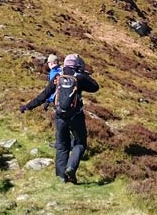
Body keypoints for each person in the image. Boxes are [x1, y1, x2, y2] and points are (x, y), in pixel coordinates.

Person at [20, 53, 99, 184]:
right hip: (76, 116)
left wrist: (27, 107)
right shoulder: (79, 77)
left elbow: (44, 95)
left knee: (62, 146)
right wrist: (84, 74)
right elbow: (95, 87)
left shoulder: (58, 76)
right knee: (80, 143)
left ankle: (62, 177)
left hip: (60, 116)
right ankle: (71, 168)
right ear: (77, 65)